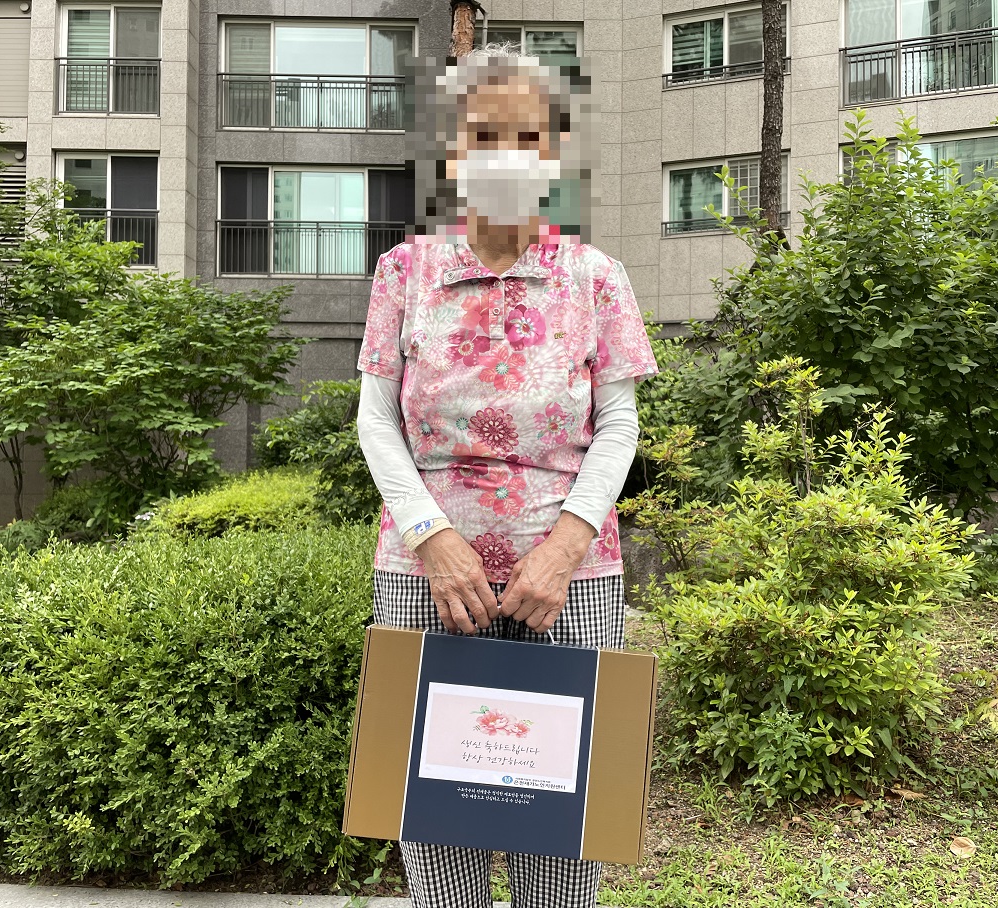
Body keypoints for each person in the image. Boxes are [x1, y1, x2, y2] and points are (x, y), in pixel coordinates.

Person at [354, 43, 658, 908]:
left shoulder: (597, 278)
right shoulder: (405, 273)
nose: (506, 154)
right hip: (424, 573)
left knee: (561, 826)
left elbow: (619, 426)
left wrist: (562, 549)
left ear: (554, 152)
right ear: (452, 152)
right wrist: (432, 538)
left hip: (570, 579)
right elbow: (376, 422)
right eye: (484, 134)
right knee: (434, 821)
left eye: (527, 136)